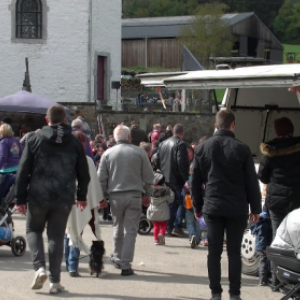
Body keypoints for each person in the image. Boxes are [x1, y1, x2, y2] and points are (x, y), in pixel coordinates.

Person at [14, 105, 90, 294]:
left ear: (47, 120)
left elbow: (23, 171)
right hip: (63, 197)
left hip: (38, 195)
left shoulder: (34, 139)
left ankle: (39, 268)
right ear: (65, 120)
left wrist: (20, 198)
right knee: (56, 236)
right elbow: (83, 172)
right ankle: (55, 281)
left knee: (33, 230)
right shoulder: (74, 142)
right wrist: (81, 196)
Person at [191, 110, 261, 300]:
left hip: (213, 205)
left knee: (214, 252)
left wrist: (197, 208)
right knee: (234, 253)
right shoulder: (242, 149)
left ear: (216, 126)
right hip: (237, 206)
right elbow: (251, 182)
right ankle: (235, 293)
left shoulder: (202, 148)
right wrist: (256, 208)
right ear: (233, 125)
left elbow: (195, 182)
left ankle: (215, 293)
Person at [98, 125, 154, 276]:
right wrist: (147, 194)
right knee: (130, 230)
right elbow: (149, 177)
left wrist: (101, 197)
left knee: (117, 227)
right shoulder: (139, 152)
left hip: (115, 195)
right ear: (129, 137)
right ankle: (125, 264)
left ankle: (116, 257)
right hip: (134, 194)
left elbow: (101, 178)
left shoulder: (108, 153)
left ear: (115, 138)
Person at [258, 116, 300, 289]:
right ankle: (295, 280)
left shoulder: (270, 149)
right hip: (297, 199)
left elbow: (262, 175)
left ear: (277, 131)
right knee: (296, 239)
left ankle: (277, 281)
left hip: (276, 203)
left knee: (278, 239)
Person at [65, 131, 105, 277]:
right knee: (78, 231)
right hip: (83, 200)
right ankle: (74, 265)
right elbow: (93, 182)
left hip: (68, 200)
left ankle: (70, 265)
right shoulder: (87, 160)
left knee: (71, 230)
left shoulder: (64, 158)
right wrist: (99, 198)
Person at [157, 124, 189, 237]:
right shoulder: (180, 144)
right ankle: (177, 226)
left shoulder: (162, 144)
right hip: (176, 178)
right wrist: (185, 178)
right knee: (182, 201)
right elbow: (181, 162)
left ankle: (168, 227)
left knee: (170, 203)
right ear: (182, 133)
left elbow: (158, 160)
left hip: (165, 178)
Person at [147, 172, 174, 245]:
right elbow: (171, 200)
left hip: (153, 211)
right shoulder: (166, 190)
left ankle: (156, 240)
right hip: (163, 211)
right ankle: (162, 234)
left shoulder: (151, 190)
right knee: (164, 224)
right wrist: (171, 193)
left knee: (156, 226)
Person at [250, 205, 272, 286]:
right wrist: (264, 247)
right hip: (262, 246)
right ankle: (262, 280)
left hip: (259, 245)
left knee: (263, 261)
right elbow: (262, 236)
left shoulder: (260, 220)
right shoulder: (265, 223)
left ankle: (264, 279)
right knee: (263, 262)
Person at [0, 124, 23, 201]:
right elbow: (21, 154)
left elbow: (3, 157)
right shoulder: (16, 140)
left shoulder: (3, 142)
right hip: (16, 169)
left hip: (5, 170)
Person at [183, 165, 202, 249]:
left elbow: (183, 193)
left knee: (189, 223)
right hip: (199, 205)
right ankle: (197, 239)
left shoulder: (187, 183)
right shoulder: (201, 182)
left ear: (190, 172)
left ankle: (192, 236)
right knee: (198, 223)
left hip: (189, 205)